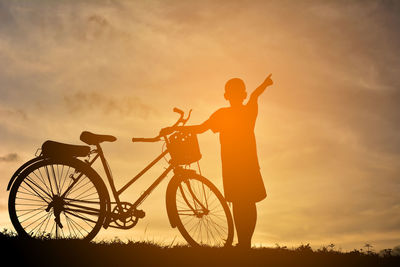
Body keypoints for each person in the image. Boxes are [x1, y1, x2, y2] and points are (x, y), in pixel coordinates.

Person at [165, 74, 273, 248]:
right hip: (249, 164)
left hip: (233, 166)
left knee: (239, 204)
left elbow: (200, 128)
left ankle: (243, 243)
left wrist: (175, 128)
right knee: (248, 203)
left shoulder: (223, 114)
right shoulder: (248, 110)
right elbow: (255, 95)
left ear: (226, 96)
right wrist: (264, 84)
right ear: (242, 95)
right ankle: (245, 243)